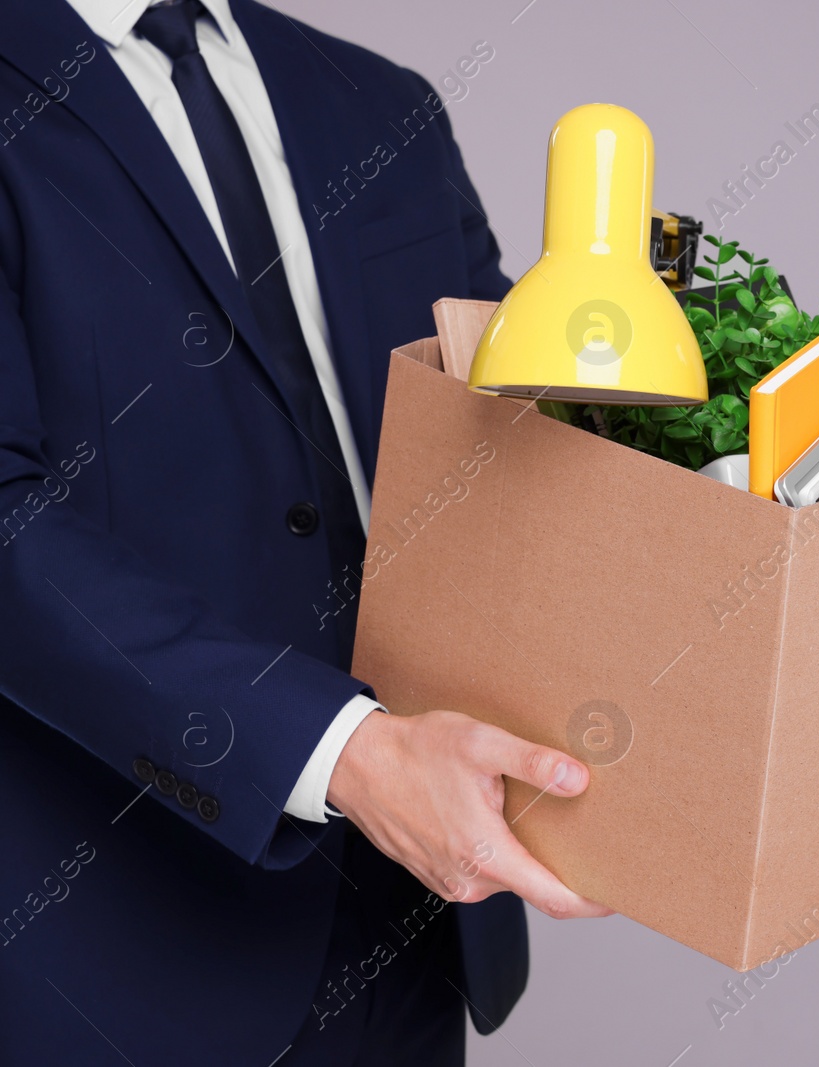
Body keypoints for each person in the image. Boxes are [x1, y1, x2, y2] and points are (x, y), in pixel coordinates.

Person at [0, 1, 610, 1063]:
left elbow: (511, 428)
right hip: (113, 944)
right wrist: (347, 753)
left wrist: (738, 425)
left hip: (416, 919)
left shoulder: (381, 101)